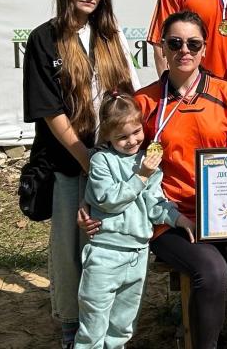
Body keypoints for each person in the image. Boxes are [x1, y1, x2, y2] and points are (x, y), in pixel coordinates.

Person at [23, 0, 138, 349]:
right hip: (68, 163)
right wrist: (86, 159)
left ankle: (106, 324)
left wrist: (119, 157)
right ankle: (72, 325)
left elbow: (127, 96)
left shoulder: (110, 36)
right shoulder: (44, 39)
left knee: (106, 243)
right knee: (71, 247)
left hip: (112, 161)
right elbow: (50, 111)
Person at [134, 10, 227, 349]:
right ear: (163, 47)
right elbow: (125, 164)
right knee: (213, 272)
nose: (184, 51)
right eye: (175, 43)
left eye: (193, 44)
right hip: (170, 217)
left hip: (223, 215)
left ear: (204, 48)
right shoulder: (144, 101)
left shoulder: (225, 93)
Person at [74, 92, 190, 349]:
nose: (132, 141)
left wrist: (180, 220)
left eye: (136, 132)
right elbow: (109, 199)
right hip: (106, 253)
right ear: (108, 136)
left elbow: (155, 204)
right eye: (122, 137)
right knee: (93, 322)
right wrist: (141, 176)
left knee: (123, 325)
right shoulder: (101, 161)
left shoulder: (147, 161)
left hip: (137, 254)